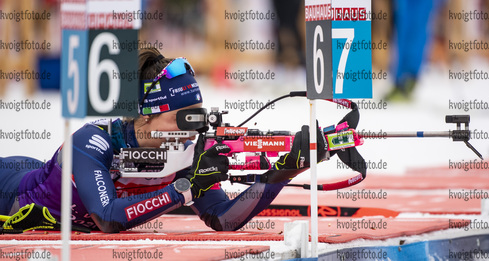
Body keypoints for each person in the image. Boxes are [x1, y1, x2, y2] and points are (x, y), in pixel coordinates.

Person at [0, 48, 327, 233]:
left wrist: (281, 175)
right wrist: (185, 190)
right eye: (180, 119)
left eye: (197, 117)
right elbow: (109, 218)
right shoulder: (91, 143)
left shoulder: (187, 153)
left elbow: (223, 219)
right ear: (145, 115)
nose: (190, 131)